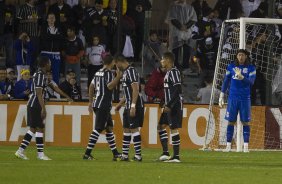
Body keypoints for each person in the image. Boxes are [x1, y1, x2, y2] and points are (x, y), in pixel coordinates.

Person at [83, 55, 122, 160]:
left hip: (98, 103)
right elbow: (109, 86)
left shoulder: (98, 72)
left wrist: (90, 102)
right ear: (112, 62)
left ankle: (115, 154)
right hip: (103, 104)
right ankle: (87, 154)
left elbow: (91, 86)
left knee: (109, 128)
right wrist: (118, 77)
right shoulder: (108, 73)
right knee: (98, 128)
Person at [218, 49, 256, 153]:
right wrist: (221, 95)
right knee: (231, 121)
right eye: (239, 55)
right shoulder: (231, 66)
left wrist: (242, 77)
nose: (241, 57)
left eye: (242, 55)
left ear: (246, 56)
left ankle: (246, 147)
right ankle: (228, 146)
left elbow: (251, 82)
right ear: (236, 56)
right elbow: (226, 81)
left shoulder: (251, 68)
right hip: (232, 98)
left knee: (245, 122)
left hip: (245, 98)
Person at [15, 56, 52, 160]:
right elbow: (39, 94)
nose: (50, 64)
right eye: (49, 63)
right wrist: (43, 108)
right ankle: (40, 154)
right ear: (45, 64)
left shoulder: (40, 74)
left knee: (33, 129)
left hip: (33, 104)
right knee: (39, 128)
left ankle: (20, 151)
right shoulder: (40, 75)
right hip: (36, 104)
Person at [115, 55, 144, 161]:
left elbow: (135, 89)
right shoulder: (126, 72)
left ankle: (138, 155)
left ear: (119, 61)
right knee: (126, 129)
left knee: (134, 128)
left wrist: (133, 106)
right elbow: (128, 92)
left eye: (116, 64)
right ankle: (125, 155)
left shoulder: (131, 71)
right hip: (128, 103)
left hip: (134, 104)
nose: (116, 67)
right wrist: (120, 104)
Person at [158, 52, 183, 163]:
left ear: (168, 60)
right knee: (160, 126)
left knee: (173, 129)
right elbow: (170, 91)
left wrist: (169, 105)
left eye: (162, 59)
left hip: (174, 105)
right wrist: (164, 102)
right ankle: (165, 153)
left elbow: (178, 90)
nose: (161, 62)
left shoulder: (174, 72)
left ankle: (176, 156)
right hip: (168, 105)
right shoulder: (168, 73)